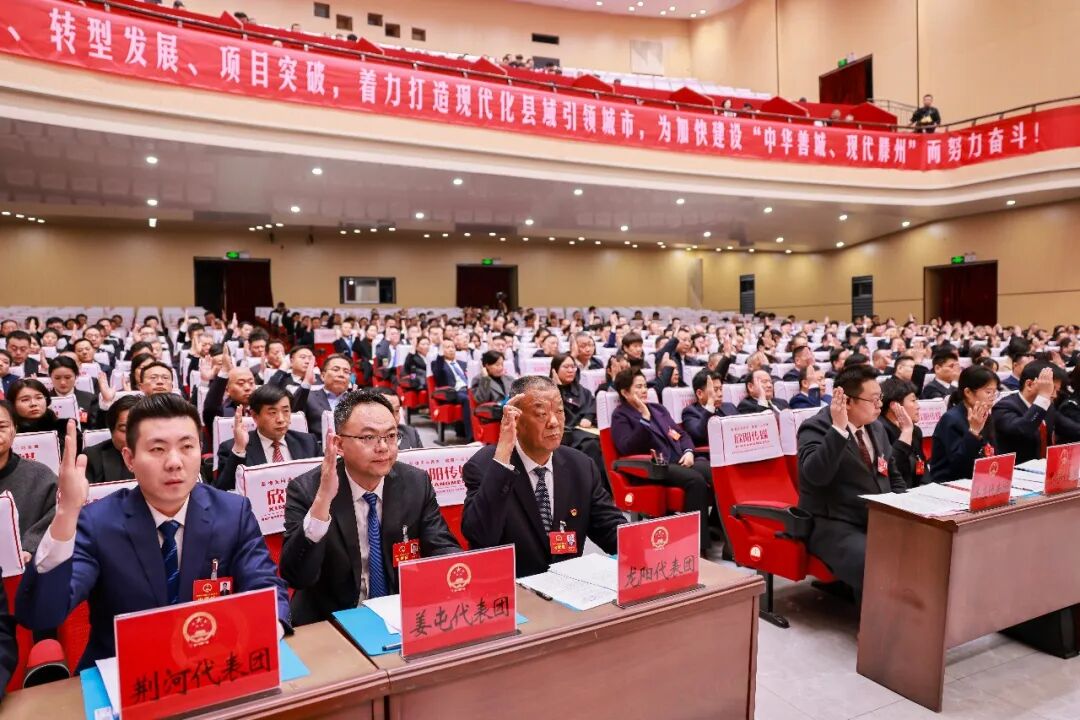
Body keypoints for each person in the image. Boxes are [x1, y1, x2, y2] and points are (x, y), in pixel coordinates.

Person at [15, 395, 291, 668]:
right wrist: (65, 515)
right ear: (129, 458)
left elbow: (264, 583)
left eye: (187, 446)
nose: (174, 462)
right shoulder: (98, 523)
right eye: (158, 449)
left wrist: (271, 627)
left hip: (211, 662)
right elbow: (41, 614)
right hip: (124, 669)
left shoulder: (232, 512)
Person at [280, 390, 460, 625]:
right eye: (368, 438)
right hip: (331, 620)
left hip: (399, 614)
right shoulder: (308, 490)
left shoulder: (415, 482)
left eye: (391, 435)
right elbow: (297, 577)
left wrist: (458, 570)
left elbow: (441, 545)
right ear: (339, 444)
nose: (383, 447)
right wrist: (322, 503)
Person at [462, 376, 625, 577]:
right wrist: (503, 457)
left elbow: (610, 529)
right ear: (516, 420)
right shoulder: (487, 467)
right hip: (514, 587)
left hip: (567, 586)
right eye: (541, 414)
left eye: (559, 411)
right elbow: (480, 538)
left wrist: (646, 542)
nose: (554, 422)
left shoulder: (581, 466)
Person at [797, 365, 906, 598]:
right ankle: (880, 620)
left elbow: (892, 475)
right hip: (836, 524)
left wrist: (905, 509)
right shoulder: (815, 427)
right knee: (877, 560)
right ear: (847, 401)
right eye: (873, 399)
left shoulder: (877, 427)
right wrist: (838, 430)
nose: (880, 405)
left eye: (880, 398)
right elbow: (815, 475)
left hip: (878, 517)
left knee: (926, 545)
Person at [610, 369, 712, 554]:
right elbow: (627, 448)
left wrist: (689, 451)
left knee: (714, 471)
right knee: (695, 480)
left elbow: (681, 434)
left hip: (680, 459)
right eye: (638, 387)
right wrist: (644, 418)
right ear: (625, 392)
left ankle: (716, 528)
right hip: (655, 467)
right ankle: (695, 546)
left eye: (645, 386)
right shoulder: (620, 415)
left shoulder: (658, 409)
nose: (644, 390)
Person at [214, 385, 319, 491]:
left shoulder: (308, 442)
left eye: (286, 411)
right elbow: (223, 491)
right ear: (255, 416)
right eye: (272, 413)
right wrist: (239, 449)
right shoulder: (233, 448)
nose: (281, 419)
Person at [0, 400, 57, 561]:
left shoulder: (40, 475)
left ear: (14, 430)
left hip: (25, 565)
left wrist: (29, 546)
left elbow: (58, 512)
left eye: (1, 426)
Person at [928, 366, 998, 483]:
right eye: (988, 392)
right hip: (949, 483)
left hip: (980, 478)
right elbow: (959, 464)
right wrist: (974, 431)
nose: (992, 397)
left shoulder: (986, 415)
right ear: (968, 392)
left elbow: (992, 451)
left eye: (995, 392)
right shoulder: (950, 419)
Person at [990, 363, 1061, 464]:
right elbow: (1023, 429)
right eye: (1050, 388)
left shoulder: (1047, 405)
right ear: (1029, 384)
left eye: (1056, 390)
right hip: (1016, 469)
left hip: (1043, 467)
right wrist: (1043, 397)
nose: (1054, 395)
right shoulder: (1004, 407)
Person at [551, 354, 607, 481]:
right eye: (566, 367)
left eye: (573, 367)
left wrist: (588, 417)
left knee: (602, 440)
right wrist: (558, 388)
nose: (570, 370)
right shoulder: (549, 392)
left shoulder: (582, 390)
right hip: (566, 431)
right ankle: (592, 483)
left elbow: (591, 405)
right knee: (591, 444)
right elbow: (560, 413)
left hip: (585, 430)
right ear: (555, 370)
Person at [875, 378, 926, 488]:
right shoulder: (879, 431)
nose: (918, 406)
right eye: (913, 401)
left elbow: (921, 464)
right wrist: (906, 434)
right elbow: (887, 471)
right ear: (895, 406)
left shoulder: (916, 431)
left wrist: (925, 486)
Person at [84, 395, 140, 484]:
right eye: (124, 429)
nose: (132, 436)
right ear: (112, 430)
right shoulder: (93, 457)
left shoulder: (160, 454)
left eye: (139, 429)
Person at [430, 339, 474, 442]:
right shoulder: (437, 364)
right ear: (442, 350)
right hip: (453, 392)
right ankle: (471, 437)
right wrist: (440, 356)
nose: (451, 349)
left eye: (452, 347)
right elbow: (438, 374)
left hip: (468, 389)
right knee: (467, 399)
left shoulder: (462, 363)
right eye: (447, 347)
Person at [300, 354, 353, 436]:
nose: (341, 374)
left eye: (346, 372)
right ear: (322, 375)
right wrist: (306, 382)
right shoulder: (309, 397)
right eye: (336, 370)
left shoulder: (355, 400)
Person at [681, 370, 736, 446]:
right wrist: (710, 404)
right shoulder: (690, 412)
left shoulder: (730, 407)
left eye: (721, 389)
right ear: (700, 394)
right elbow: (699, 436)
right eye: (715, 390)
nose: (720, 394)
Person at [49, 356, 99, 428]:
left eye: (67, 377)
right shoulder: (44, 400)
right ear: (50, 377)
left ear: (76, 376)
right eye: (57, 378)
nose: (62, 382)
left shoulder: (90, 399)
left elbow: (95, 427)